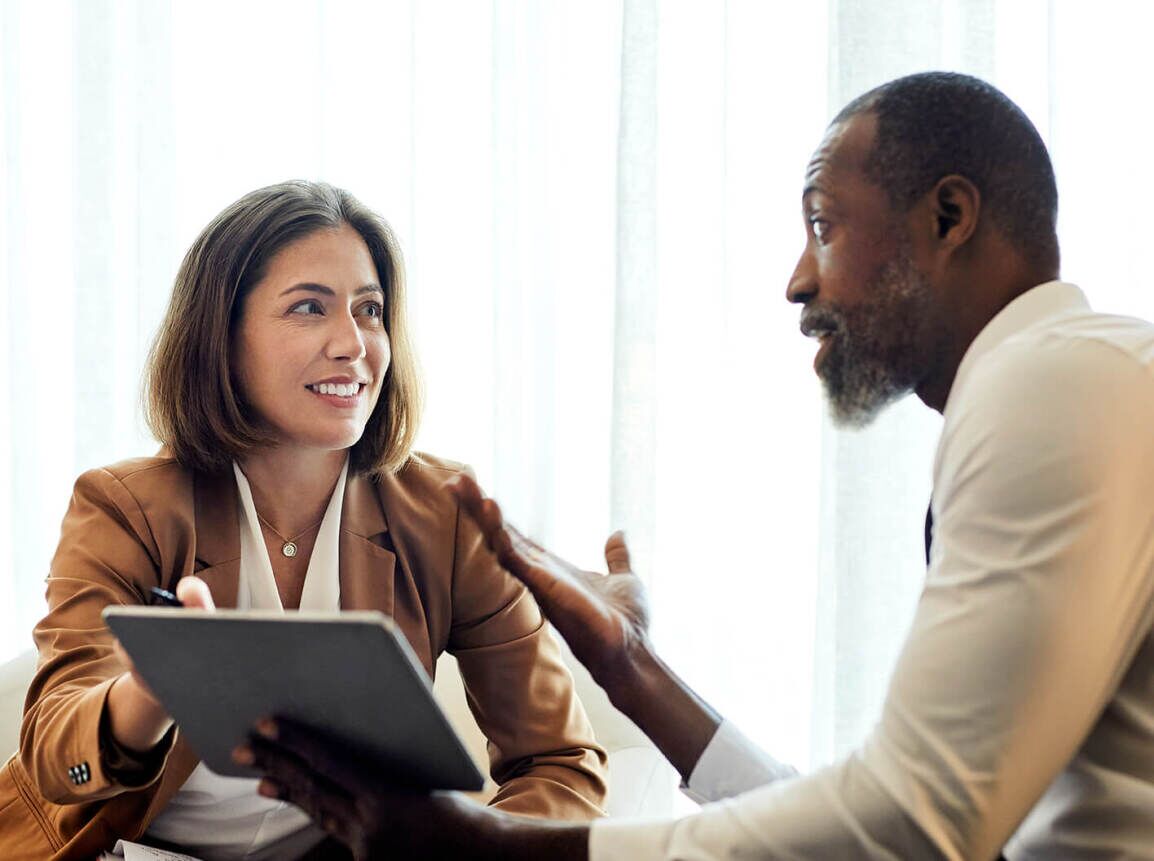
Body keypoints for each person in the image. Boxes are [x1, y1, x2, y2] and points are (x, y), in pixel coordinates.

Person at [239, 72, 1154, 859]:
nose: (799, 279)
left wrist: (498, 850)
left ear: (949, 216)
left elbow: (916, 819)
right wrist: (634, 671)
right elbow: (882, 825)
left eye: (823, 226)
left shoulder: (1050, 385)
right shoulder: (1066, 383)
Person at [0, 181, 607, 860]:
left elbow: (559, 761)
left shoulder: (446, 514)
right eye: (310, 307)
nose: (353, 342)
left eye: (370, 309)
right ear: (222, 337)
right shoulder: (124, 506)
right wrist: (150, 691)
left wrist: (468, 852)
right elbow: (59, 759)